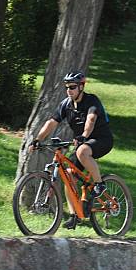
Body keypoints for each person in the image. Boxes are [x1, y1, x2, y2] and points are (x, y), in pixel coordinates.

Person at [31, 71, 113, 229]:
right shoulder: (66, 105)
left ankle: (100, 184)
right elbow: (51, 123)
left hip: (102, 140)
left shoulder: (91, 101)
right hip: (83, 143)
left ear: (81, 87)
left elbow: (91, 120)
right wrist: (37, 139)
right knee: (68, 176)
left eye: (73, 87)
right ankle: (75, 215)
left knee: (82, 151)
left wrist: (83, 135)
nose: (69, 90)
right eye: (67, 87)